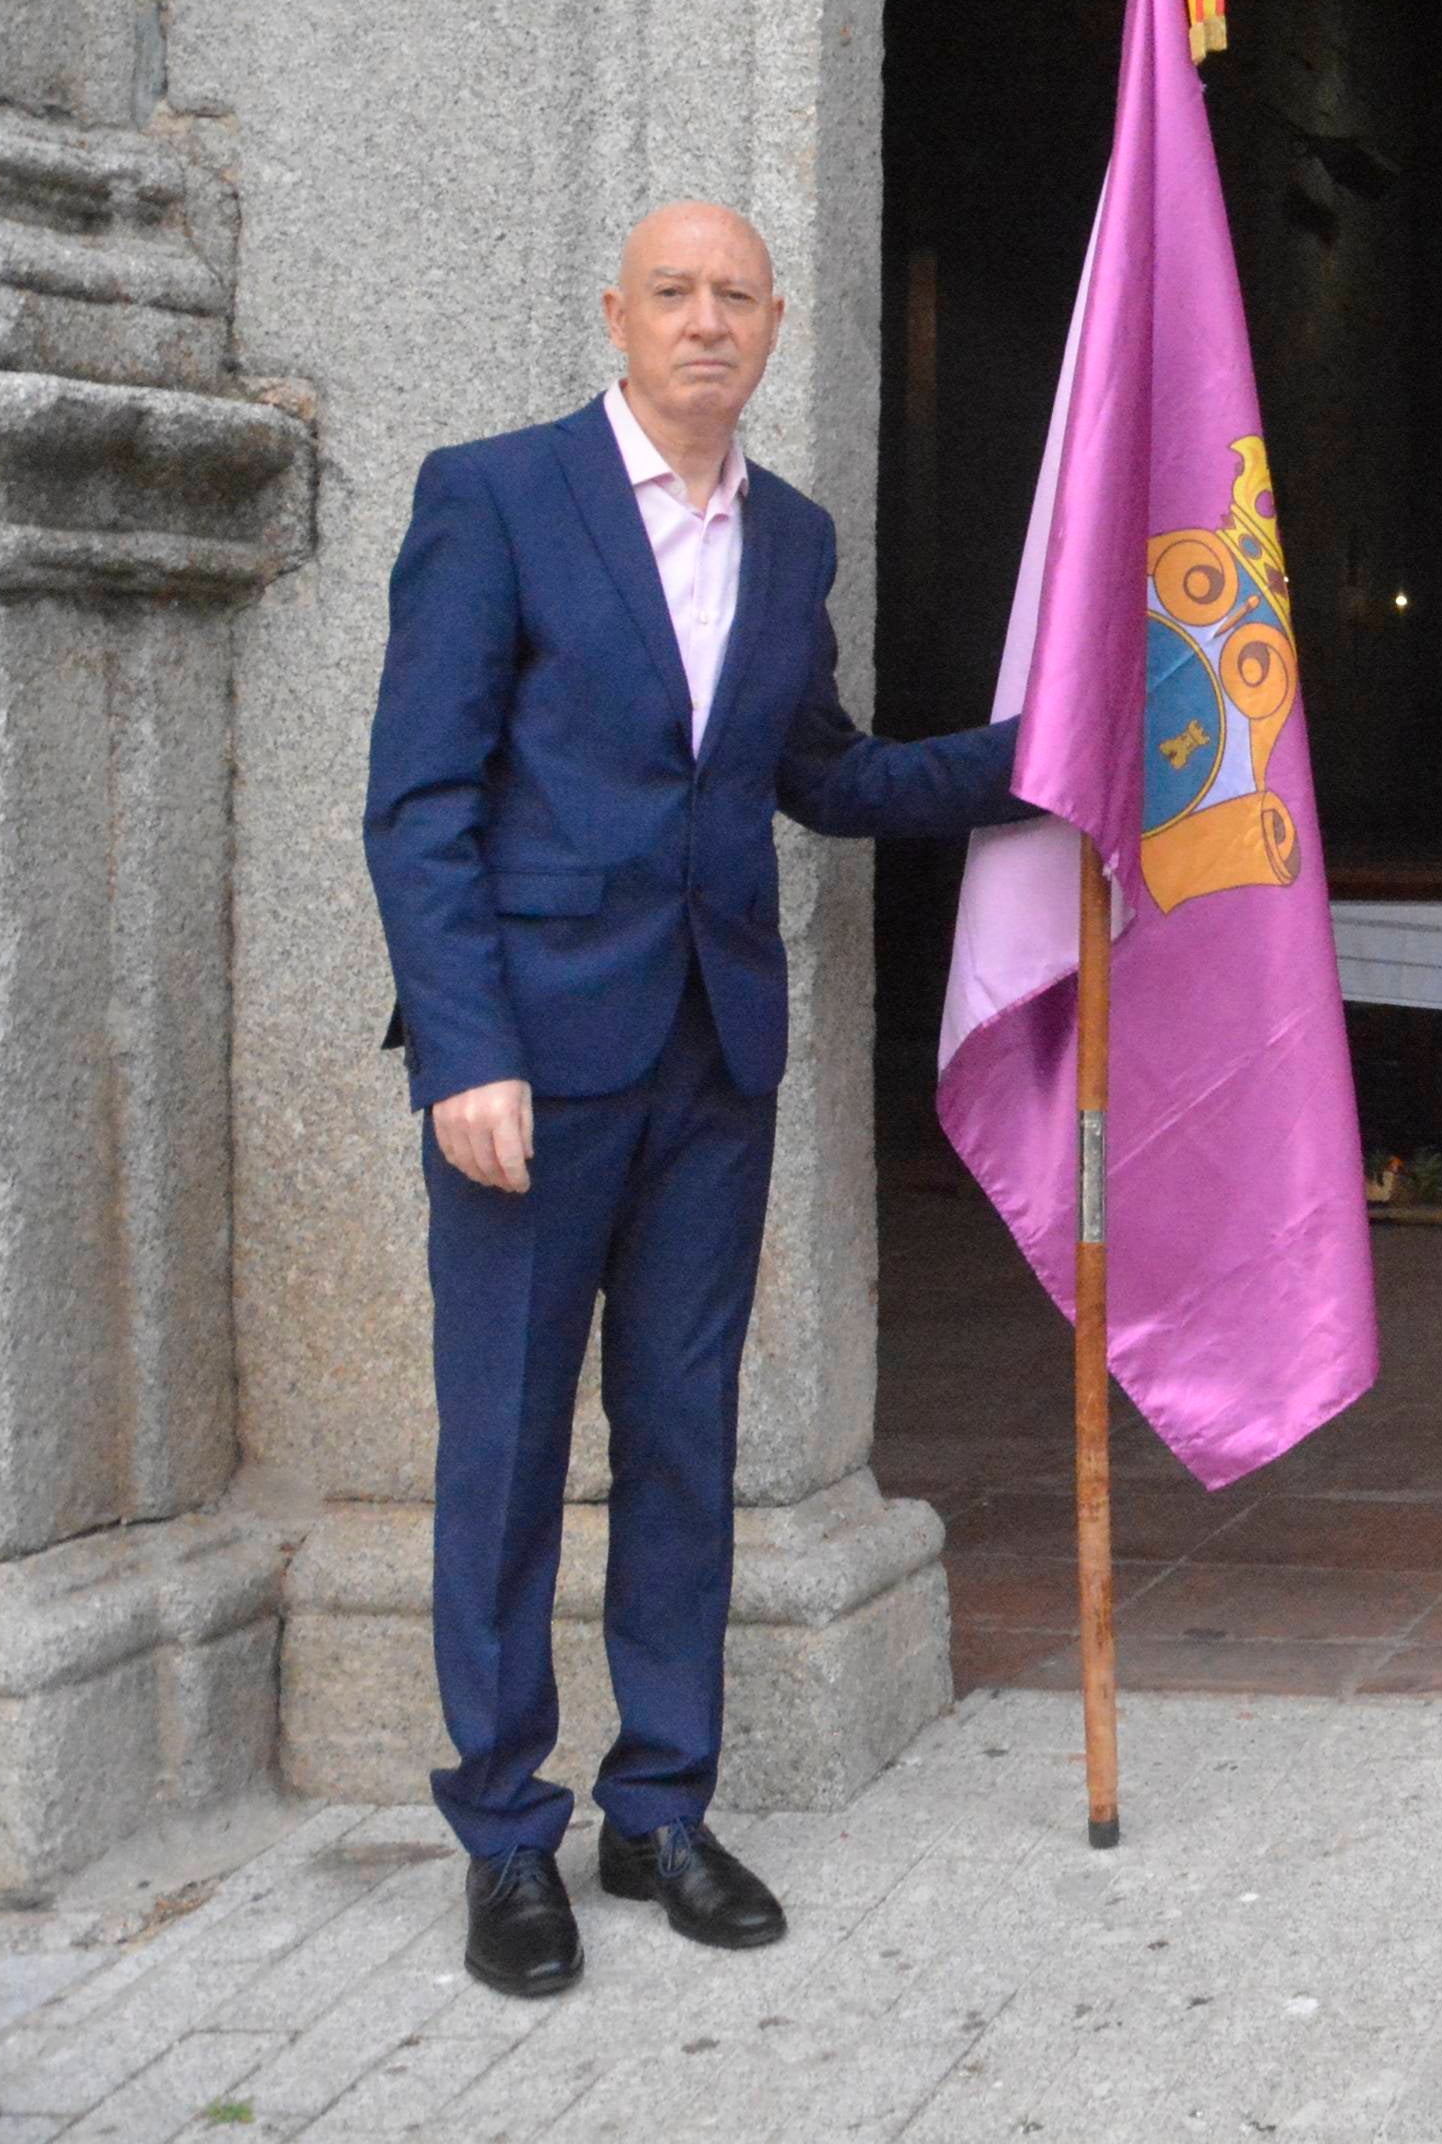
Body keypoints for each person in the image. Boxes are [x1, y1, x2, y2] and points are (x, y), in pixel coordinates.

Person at [364, 204, 1024, 1999]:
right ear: (619, 314)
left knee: (682, 1444)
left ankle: (659, 1809)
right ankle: (509, 1832)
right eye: (675, 294)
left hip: (710, 1067)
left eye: (735, 297)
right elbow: (420, 802)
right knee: (504, 1450)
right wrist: (466, 1046)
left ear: (773, 324)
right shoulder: (493, 496)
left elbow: (818, 769)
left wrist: (1044, 754)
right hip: (531, 1072)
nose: (706, 322)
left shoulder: (790, 535)